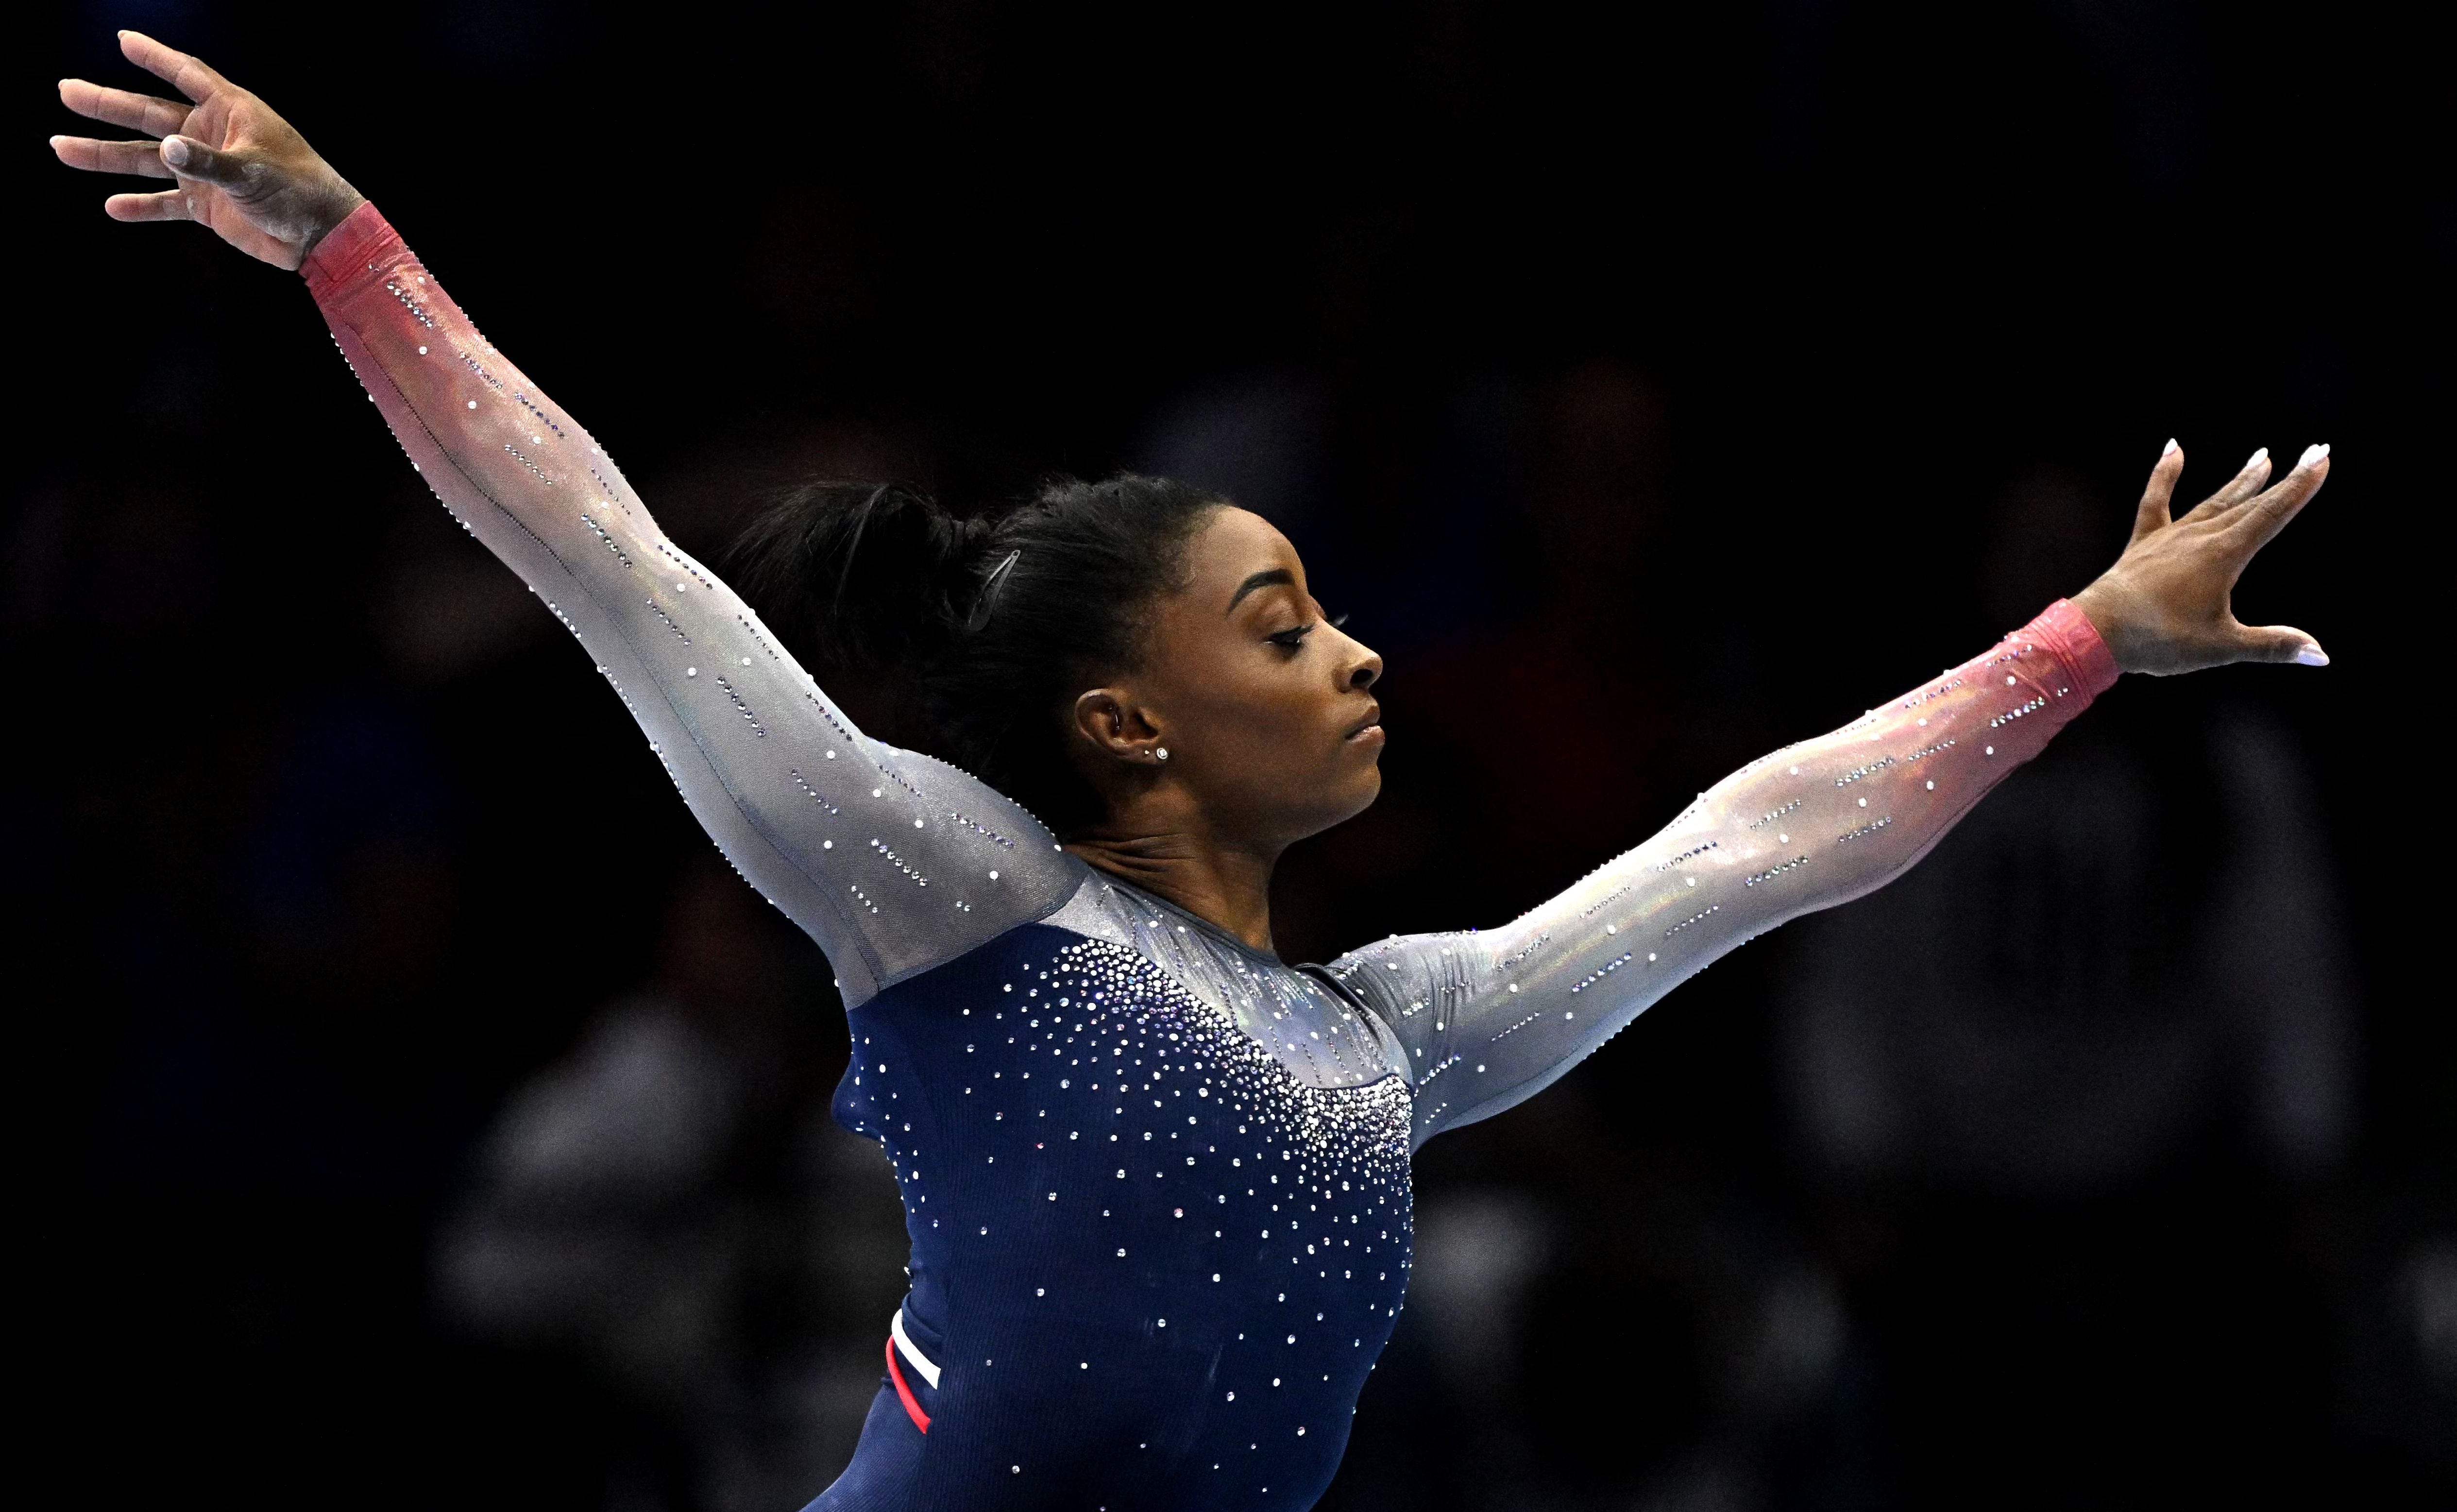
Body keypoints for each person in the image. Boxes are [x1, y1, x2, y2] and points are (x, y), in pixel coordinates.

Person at [50, 32, 2334, 1511]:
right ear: (1123, 720)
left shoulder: (1393, 1037)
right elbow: (608, 557)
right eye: (1279, 622)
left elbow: (1756, 840)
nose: (1355, 652)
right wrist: (343, 244)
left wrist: (2074, 645)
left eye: (1331, 611)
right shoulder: (952, 893)